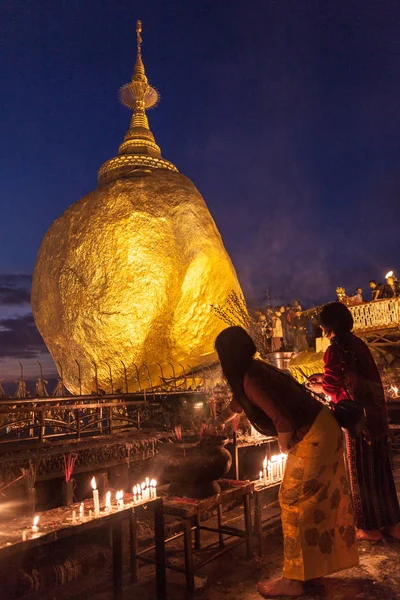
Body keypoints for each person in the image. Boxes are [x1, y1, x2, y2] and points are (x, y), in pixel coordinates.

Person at [215, 327, 358, 599]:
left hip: (313, 435)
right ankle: (309, 571)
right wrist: (218, 420)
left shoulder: (251, 379)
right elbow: (238, 404)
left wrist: (286, 446)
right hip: (323, 428)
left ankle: (293, 580)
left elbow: (284, 421)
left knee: (292, 499)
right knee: (310, 501)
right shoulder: (253, 371)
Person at [309, 302, 400, 542]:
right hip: (376, 416)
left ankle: (369, 529)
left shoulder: (336, 348)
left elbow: (332, 385)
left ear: (328, 325)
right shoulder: (358, 343)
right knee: (380, 470)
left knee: (361, 473)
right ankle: (392, 524)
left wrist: (319, 385)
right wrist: (325, 377)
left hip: (357, 420)